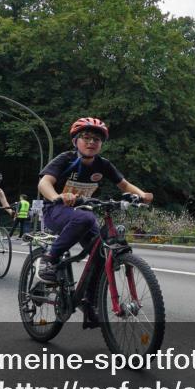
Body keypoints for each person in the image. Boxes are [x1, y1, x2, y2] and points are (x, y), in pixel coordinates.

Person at [36, 117, 152, 283]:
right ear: (76, 141)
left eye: (96, 139)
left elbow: (124, 185)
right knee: (87, 218)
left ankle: (89, 304)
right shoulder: (66, 159)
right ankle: (49, 259)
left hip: (81, 213)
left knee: (101, 256)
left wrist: (142, 195)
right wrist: (57, 197)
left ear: (101, 144)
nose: (91, 142)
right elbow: (44, 183)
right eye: (86, 137)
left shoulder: (103, 164)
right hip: (55, 210)